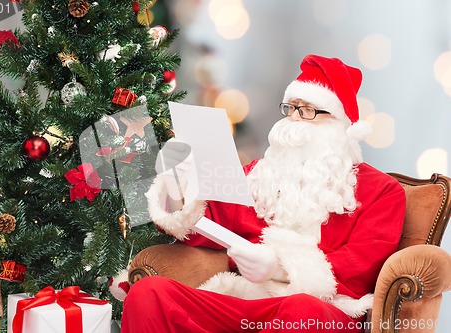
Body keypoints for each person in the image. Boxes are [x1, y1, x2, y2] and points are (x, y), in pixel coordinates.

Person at [119, 54, 406, 333]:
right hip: (247, 300)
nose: (294, 119)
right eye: (291, 107)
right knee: (149, 292)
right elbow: (210, 222)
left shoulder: (382, 191)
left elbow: (364, 265)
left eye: (307, 110)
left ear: (339, 125)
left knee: (303, 311)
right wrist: (179, 185)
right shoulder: (260, 173)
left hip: (325, 311)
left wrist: (279, 267)